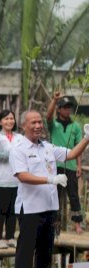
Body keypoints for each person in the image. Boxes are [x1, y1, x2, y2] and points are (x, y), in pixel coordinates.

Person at [10, 110, 89, 268]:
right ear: (23, 126)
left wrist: (87, 138)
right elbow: (22, 175)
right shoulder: (18, 147)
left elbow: (70, 154)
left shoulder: (47, 147)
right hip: (29, 208)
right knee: (26, 250)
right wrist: (50, 179)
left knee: (46, 249)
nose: (38, 126)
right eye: (33, 123)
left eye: (39, 122)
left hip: (49, 206)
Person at [46, 92, 83, 234]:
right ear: (59, 109)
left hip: (71, 165)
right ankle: (55, 224)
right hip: (55, 165)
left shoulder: (76, 127)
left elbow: (78, 147)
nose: (68, 110)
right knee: (55, 195)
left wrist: (79, 165)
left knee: (73, 195)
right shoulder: (53, 125)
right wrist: (54, 100)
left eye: (69, 107)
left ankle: (77, 223)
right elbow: (48, 116)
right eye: (65, 107)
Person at [0, 110, 23, 249]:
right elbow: (0, 156)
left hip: (16, 181)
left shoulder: (19, 137)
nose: (10, 121)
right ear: (0, 122)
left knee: (13, 211)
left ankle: (10, 236)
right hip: (1, 181)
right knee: (1, 210)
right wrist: (17, 151)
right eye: (6, 119)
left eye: (11, 118)